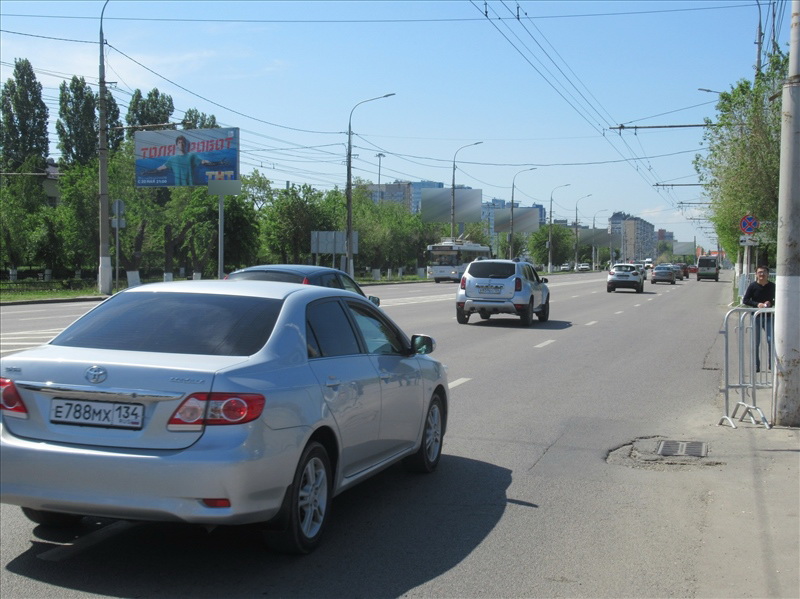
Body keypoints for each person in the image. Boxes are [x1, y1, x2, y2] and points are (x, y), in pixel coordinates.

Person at [145, 135, 222, 186]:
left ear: (185, 144)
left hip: (191, 187)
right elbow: (160, 169)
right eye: (179, 142)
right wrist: (146, 172)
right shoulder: (172, 159)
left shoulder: (191, 156)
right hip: (178, 189)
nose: (181, 144)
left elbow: (204, 162)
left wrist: (219, 163)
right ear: (176, 145)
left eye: (183, 143)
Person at [742, 265, 776, 371]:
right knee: (756, 342)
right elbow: (746, 300)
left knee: (771, 341)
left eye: (764, 272)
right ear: (756, 274)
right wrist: (757, 304)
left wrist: (771, 302)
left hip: (769, 317)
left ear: (768, 274)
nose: (762, 274)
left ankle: (772, 365)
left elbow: (778, 299)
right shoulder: (752, 286)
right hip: (756, 317)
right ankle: (756, 365)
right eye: (760, 272)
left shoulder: (772, 286)